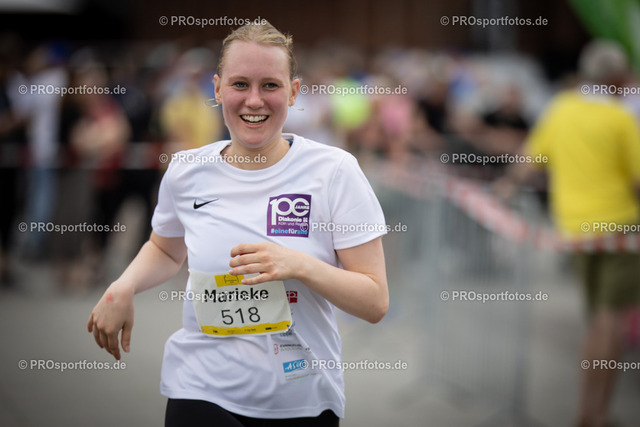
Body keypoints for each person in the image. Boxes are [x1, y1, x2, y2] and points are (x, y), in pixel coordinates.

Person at [87, 21, 389, 427]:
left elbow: (374, 302)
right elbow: (164, 249)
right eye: (240, 84)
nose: (254, 100)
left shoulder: (334, 171)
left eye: (270, 85)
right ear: (217, 89)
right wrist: (123, 286)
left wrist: (299, 265)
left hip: (302, 400)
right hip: (200, 387)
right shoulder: (187, 169)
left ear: (294, 92)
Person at [495, 39, 640, 427]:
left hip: (574, 229)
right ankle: (596, 413)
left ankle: (587, 411)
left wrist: (503, 190)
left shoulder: (561, 109)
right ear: (618, 77)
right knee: (609, 321)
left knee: (596, 319)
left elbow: (530, 160)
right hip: (619, 228)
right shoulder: (621, 118)